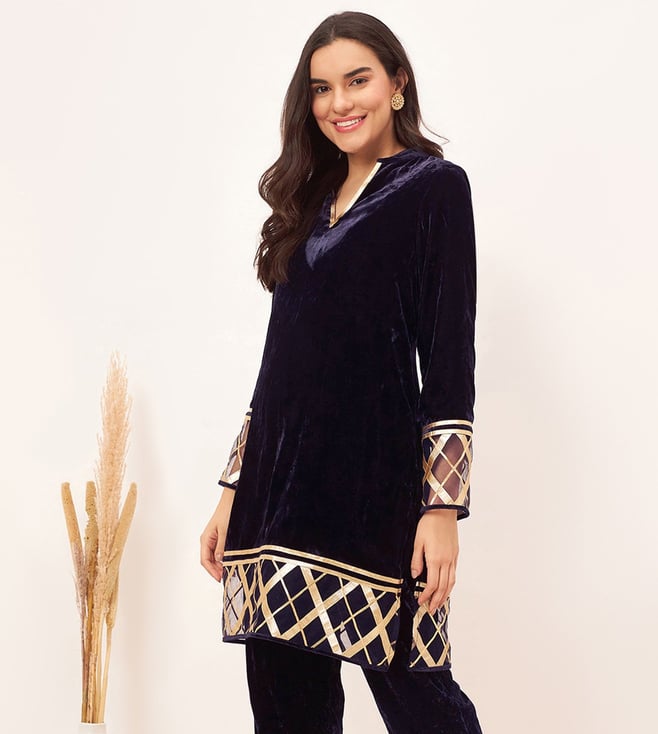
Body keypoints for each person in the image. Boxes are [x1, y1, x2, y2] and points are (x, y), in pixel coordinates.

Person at [201, 10, 483, 733]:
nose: (339, 103)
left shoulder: (434, 188)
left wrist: (442, 508)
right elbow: (281, 362)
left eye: (357, 81)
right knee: (285, 711)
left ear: (397, 83)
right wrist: (233, 488)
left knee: (423, 703)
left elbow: (449, 354)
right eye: (322, 88)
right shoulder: (308, 203)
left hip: (373, 494)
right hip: (276, 497)